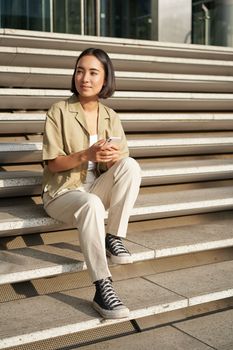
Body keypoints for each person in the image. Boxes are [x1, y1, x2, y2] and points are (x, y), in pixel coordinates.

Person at [42, 47, 141, 319]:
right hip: (62, 192)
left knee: (130, 165)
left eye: (93, 72)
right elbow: (53, 164)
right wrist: (87, 154)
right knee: (91, 203)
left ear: (105, 79)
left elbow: (117, 163)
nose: (84, 78)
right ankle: (102, 286)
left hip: (94, 187)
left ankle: (114, 236)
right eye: (80, 70)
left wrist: (109, 158)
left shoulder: (111, 116)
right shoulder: (59, 111)